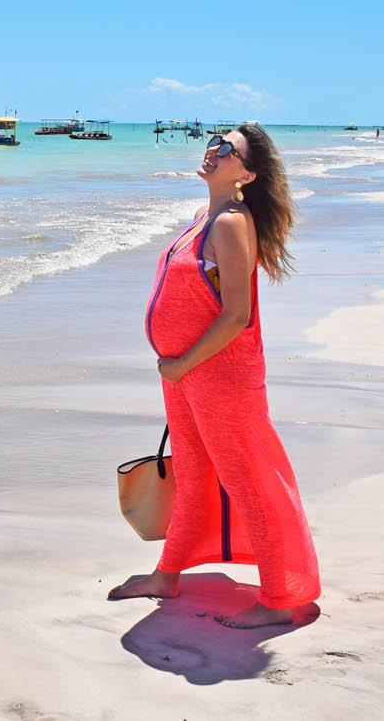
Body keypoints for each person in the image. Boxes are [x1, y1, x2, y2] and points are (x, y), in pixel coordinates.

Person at [109, 124, 320, 628]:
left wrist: (182, 363)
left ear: (246, 174)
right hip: (185, 375)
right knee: (196, 475)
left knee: (244, 480)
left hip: (217, 374)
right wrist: (177, 366)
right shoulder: (205, 215)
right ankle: (168, 574)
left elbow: (236, 315)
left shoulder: (230, 223)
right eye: (214, 142)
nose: (214, 151)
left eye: (228, 150)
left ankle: (277, 598)